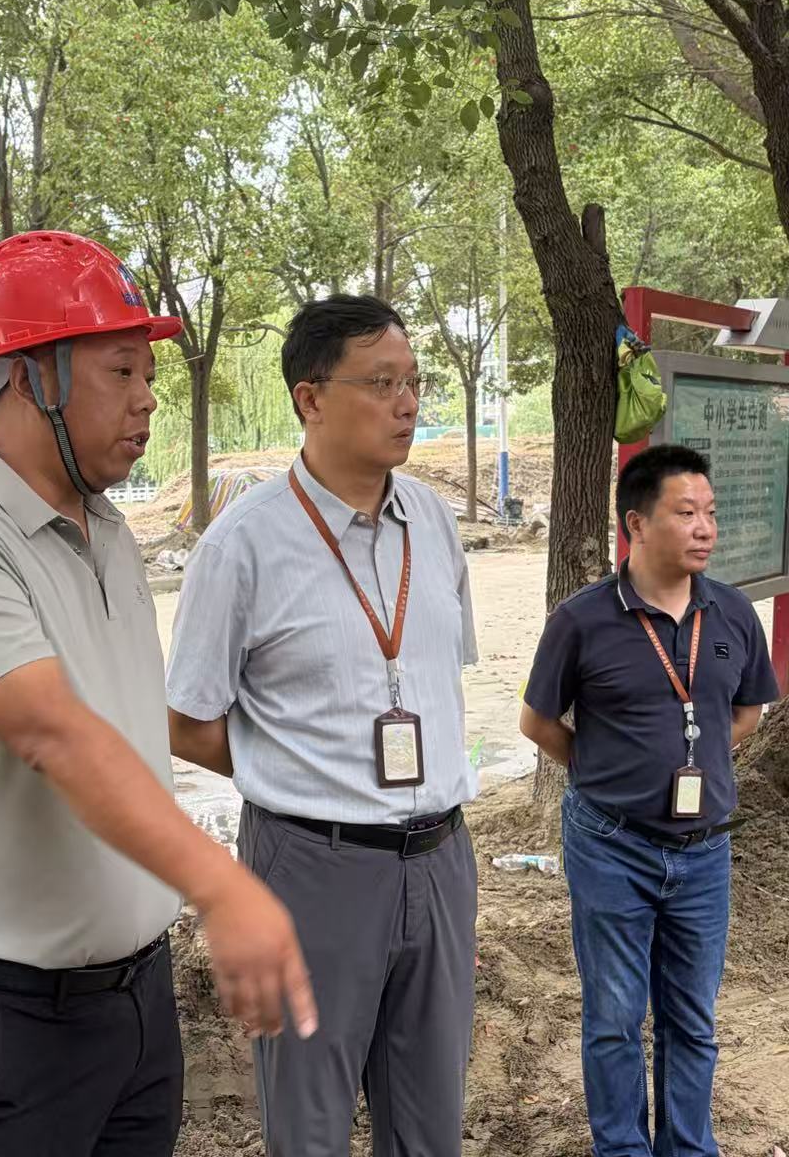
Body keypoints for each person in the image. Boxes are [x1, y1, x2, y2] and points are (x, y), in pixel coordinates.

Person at [0, 230, 315, 1156]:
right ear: (30, 377)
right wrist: (223, 887)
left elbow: (112, 722)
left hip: (134, 1002)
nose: (148, 398)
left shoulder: (106, 530)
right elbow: (57, 736)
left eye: (148, 373)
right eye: (120, 371)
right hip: (0, 1025)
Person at [167, 294, 480, 1157]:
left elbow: (437, 683)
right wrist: (300, 771)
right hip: (312, 865)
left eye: (413, 382)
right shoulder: (243, 545)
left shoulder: (433, 522)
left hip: (441, 858)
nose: (406, 403)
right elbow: (188, 723)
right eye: (380, 383)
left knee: (430, 1124)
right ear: (310, 397)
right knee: (309, 1124)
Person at [519, 444, 779, 1157]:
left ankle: (688, 1148)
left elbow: (747, 711)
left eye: (710, 513)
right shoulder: (581, 620)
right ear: (636, 523)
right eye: (685, 513)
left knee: (691, 1019)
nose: (705, 528)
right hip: (611, 844)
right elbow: (538, 723)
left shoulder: (731, 612)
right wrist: (605, 773)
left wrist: (695, 763)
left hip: (704, 851)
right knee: (613, 1018)